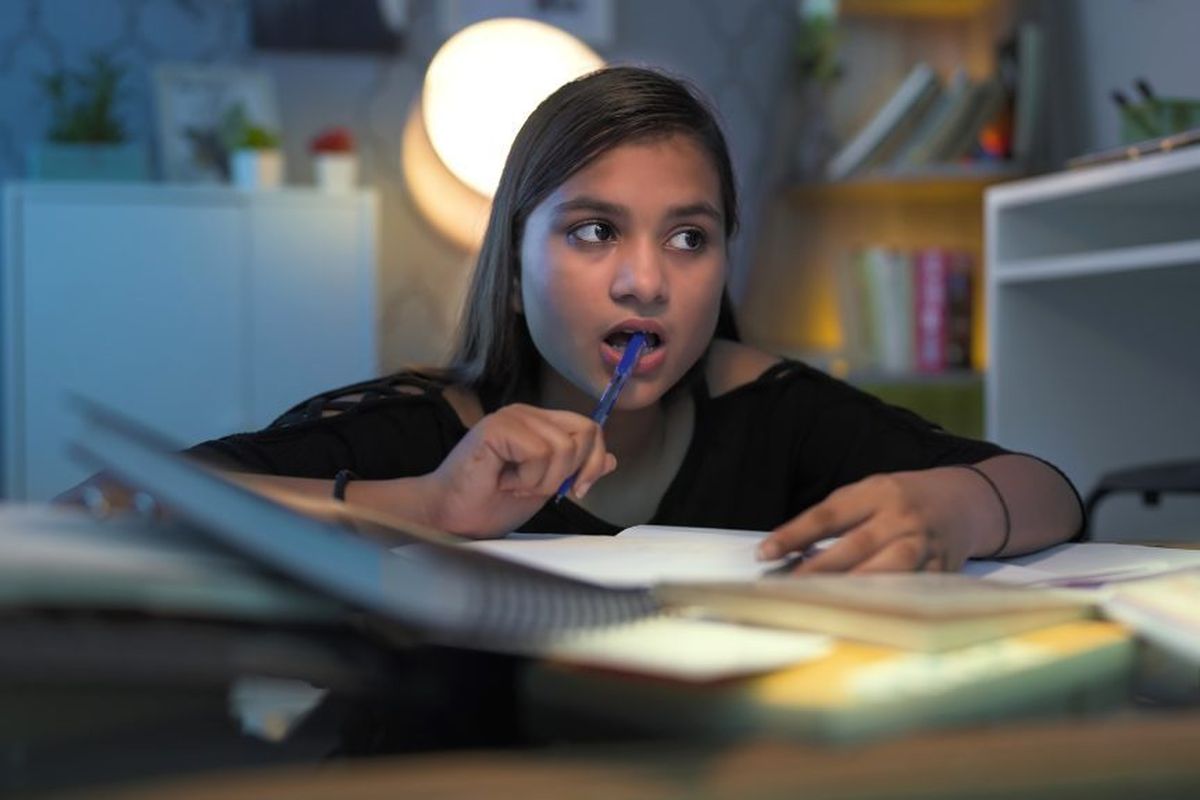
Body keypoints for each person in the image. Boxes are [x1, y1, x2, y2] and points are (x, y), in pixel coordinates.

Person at [181, 65, 1081, 573]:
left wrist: (953, 509)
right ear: (513, 267)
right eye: (595, 231)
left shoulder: (773, 409)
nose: (646, 281)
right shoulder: (420, 428)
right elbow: (126, 502)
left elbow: (1051, 494)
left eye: (689, 238)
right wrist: (429, 506)